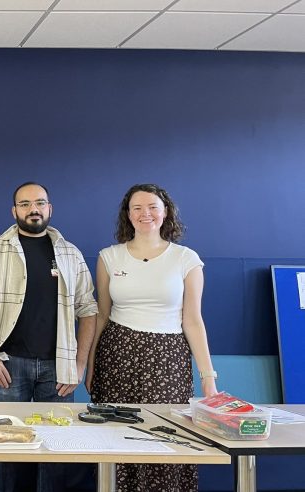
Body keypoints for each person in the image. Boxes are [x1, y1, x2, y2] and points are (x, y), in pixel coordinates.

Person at [0, 182, 97, 492]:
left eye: (39, 203)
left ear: (49, 209)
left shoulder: (69, 252)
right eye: (24, 204)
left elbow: (89, 309)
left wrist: (79, 365)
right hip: (9, 366)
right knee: (6, 449)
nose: (32, 209)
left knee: (54, 448)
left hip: (58, 368)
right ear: (14, 211)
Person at [87, 183, 218, 491]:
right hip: (117, 356)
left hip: (168, 357)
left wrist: (208, 378)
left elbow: (193, 321)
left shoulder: (186, 259)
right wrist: (90, 364)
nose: (145, 213)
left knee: (165, 435)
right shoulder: (109, 257)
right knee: (117, 435)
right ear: (128, 215)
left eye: (152, 207)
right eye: (137, 208)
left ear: (166, 212)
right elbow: (102, 315)